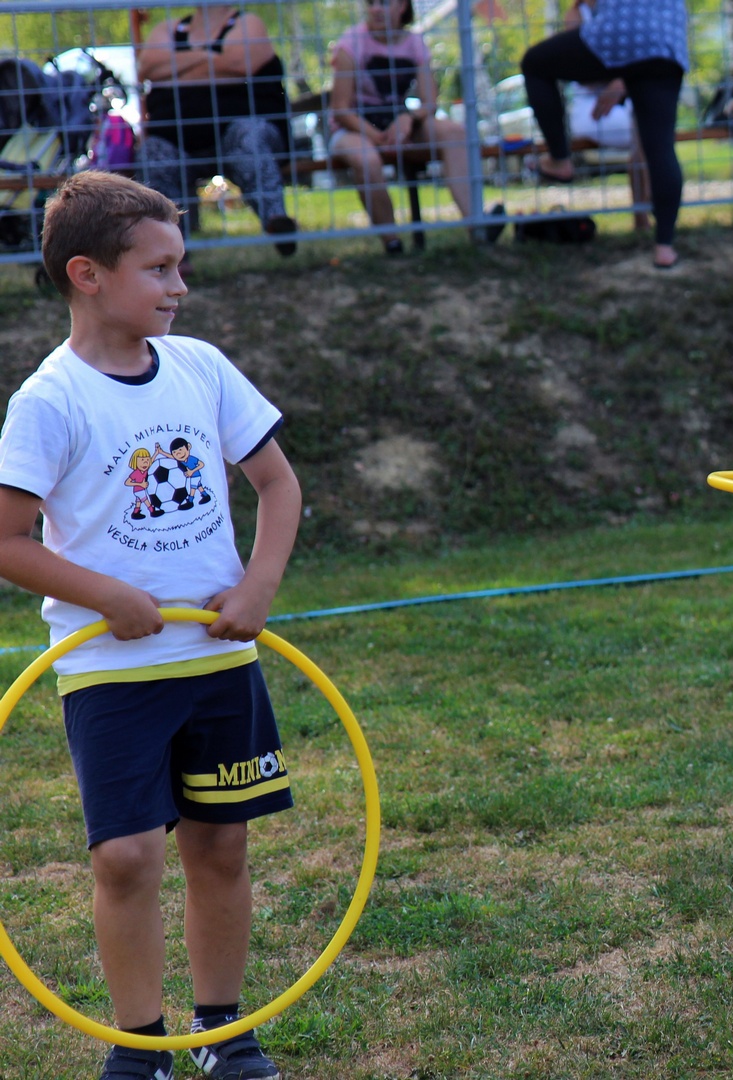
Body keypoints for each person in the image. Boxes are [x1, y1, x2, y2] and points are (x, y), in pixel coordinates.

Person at [0, 171, 303, 1080]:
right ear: (87, 274)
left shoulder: (201, 368)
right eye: (160, 268)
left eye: (181, 266)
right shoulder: (50, 401)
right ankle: (140, 1047)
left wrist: (258, 585)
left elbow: (278, 484)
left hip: (216, 658)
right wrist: (105, 595)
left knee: (221, 844)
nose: (180, 286)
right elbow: (7, 539)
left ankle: (223, 1032)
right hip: (112, 672)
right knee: (126, 857)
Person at [520, 0, 688, 269]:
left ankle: (560, 159)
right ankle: (664, 247)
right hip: (667, 39)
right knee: (661, 147)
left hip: (619, 33)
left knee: (534, 63)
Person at [135, 3, 298, 265]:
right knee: (153, 154)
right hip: (178, 139)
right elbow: (148, 68)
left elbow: (238, 63)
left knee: (248, 138)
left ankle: (277, 222)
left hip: (240, 132)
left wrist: (177, 67)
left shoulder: (248, 23)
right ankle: (171, 254)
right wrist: (211, 57)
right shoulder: (168, 29)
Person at [330, 0, 482, 255]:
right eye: (371, 3)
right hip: (354, 129)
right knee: (366, 160)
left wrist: (408, 118)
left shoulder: (414, 43)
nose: (375, 9)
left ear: (402, 6)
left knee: (454, 133)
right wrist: (377, 136)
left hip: (398, 123)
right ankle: (392, 243)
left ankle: (477, 227)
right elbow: (341, 110)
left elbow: (429, 102)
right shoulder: (350, 43)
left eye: (383, 3)